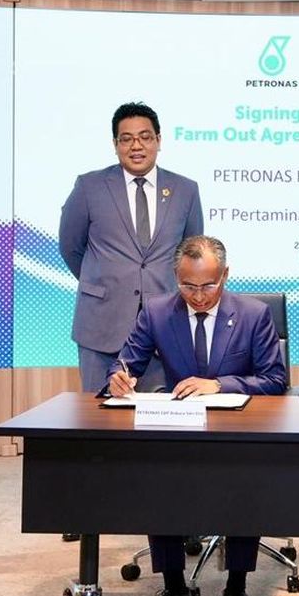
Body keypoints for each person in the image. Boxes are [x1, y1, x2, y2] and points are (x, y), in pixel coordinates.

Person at [109, 235, 286, 596]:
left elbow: (275, 380)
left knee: (246, 483)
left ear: (226, 275)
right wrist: (118, 379)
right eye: (188, 286)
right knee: (158, 479)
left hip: (238, 432)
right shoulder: (157, 312)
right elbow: (126, 363)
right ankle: (174, 589)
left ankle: (236, 589)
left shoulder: (254, 314)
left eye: (208, 285)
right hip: (182, 429)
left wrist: (220, 384)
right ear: (176, 277)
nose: (199, 296)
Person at [60, 101, 204, 396]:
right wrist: (104, 282)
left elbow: (191, 254)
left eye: (145, 137)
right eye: (126, 139)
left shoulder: (186, 190)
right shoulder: (89, 187)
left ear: (158, 140)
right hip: (101, 327)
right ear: (115, 144)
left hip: (164, 329)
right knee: (98, 416)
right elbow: (70, 247)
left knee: (161, 417)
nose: (136, 146)